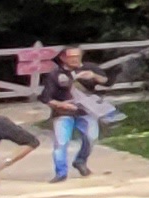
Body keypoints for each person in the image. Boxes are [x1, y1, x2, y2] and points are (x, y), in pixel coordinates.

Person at [38, 46, 106, 178]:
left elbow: (106, 81)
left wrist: (94, 76)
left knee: (92, 138)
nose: (75, 59)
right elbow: (45, 98)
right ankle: (61, 173)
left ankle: (80, 161)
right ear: (63, 58)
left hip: (86, 111)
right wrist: (61, 105)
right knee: (61, 143)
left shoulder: (89, 68)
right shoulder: (55, 74)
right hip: (63, 113)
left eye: (77, 56)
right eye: (71, 57)